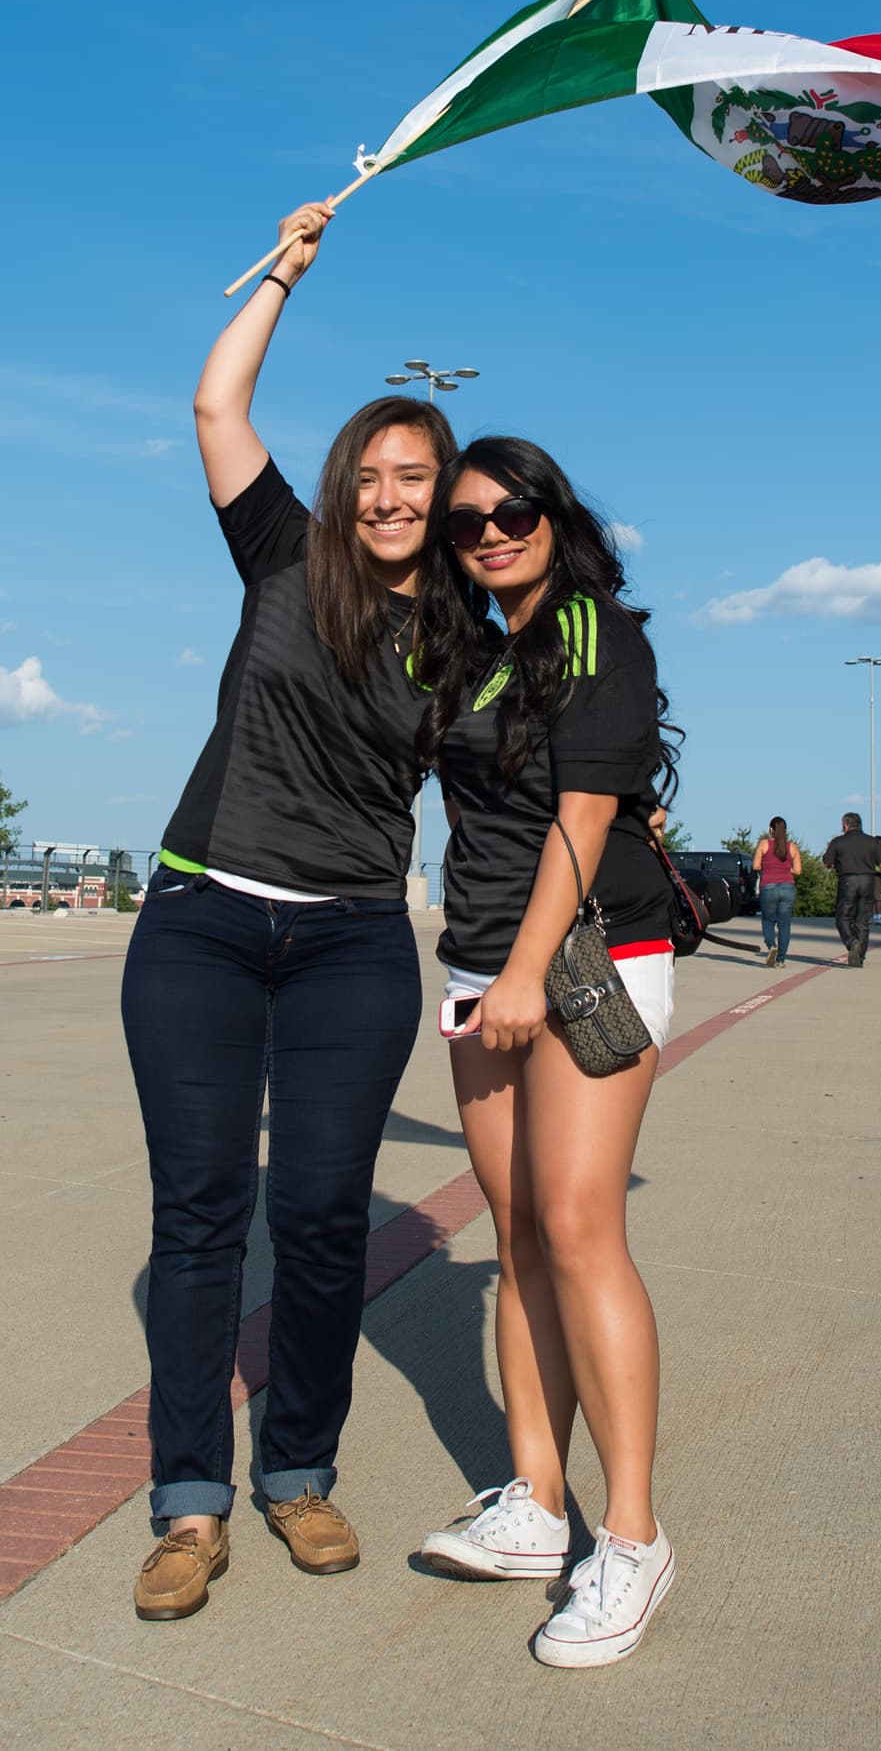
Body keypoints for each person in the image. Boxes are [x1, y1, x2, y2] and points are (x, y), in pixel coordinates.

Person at [121, 202, 457, 1622]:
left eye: (416, 478)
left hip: (351, 943)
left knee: (319, 1216)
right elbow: (214, 398)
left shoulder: (461, 632)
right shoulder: (282, 552)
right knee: (202, 1216)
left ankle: (299, 1470)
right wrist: (283, 274)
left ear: (447, 497)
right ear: (345, 482)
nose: (389, 497)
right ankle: (190, 1500)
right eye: (372, 474)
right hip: (201, 919)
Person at [415, 437, 679, 1670]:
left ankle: (628, 1535)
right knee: (515, 1230)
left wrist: (525, 973)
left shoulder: (590, 627)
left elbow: (580, 814)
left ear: (550, 513)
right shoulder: (474, 653)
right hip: (481, 966)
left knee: (578, 1230)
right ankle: (535, 1499)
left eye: (510, 511)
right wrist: (483, 972)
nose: (488, 533)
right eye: (463, 524)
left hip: (582, 961)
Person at [823, 815, 881, 967]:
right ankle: (859, 957)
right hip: (868, 881)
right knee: (862, 920)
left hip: (848, 881)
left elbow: (827, 862)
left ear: (845, 826)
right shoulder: (872, 842)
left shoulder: (838, 841)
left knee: (843, 917)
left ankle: (851, 941)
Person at [752, 817, 802, 967]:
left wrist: (768, 867)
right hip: (788, 887)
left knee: (768, 920)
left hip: (768, 886)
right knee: (784, 924)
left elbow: (755, 866)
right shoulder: (791, 847)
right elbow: (798, 871)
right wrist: (786, 869)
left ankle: (771, 945)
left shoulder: (764, 844)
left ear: (771, 829)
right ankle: (781, 960)